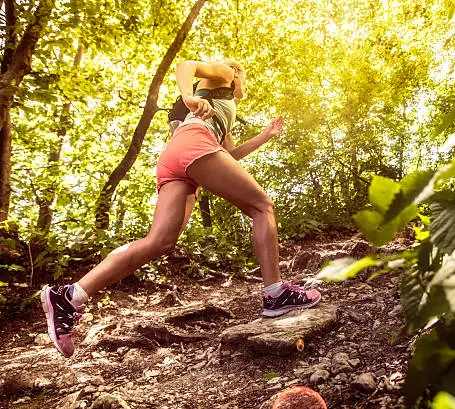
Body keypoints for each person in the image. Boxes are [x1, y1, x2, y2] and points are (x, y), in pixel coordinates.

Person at [41, 58, 322, 358]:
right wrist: (188, 95)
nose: (244, 84)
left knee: (159, 241)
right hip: (193, 146)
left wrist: (265, 136)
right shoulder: (224, 75)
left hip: (178, 155)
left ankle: (70, 296)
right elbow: (186, 64)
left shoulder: (222, 110)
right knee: (262, 207)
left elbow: (229, 154)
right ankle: (276, 294)